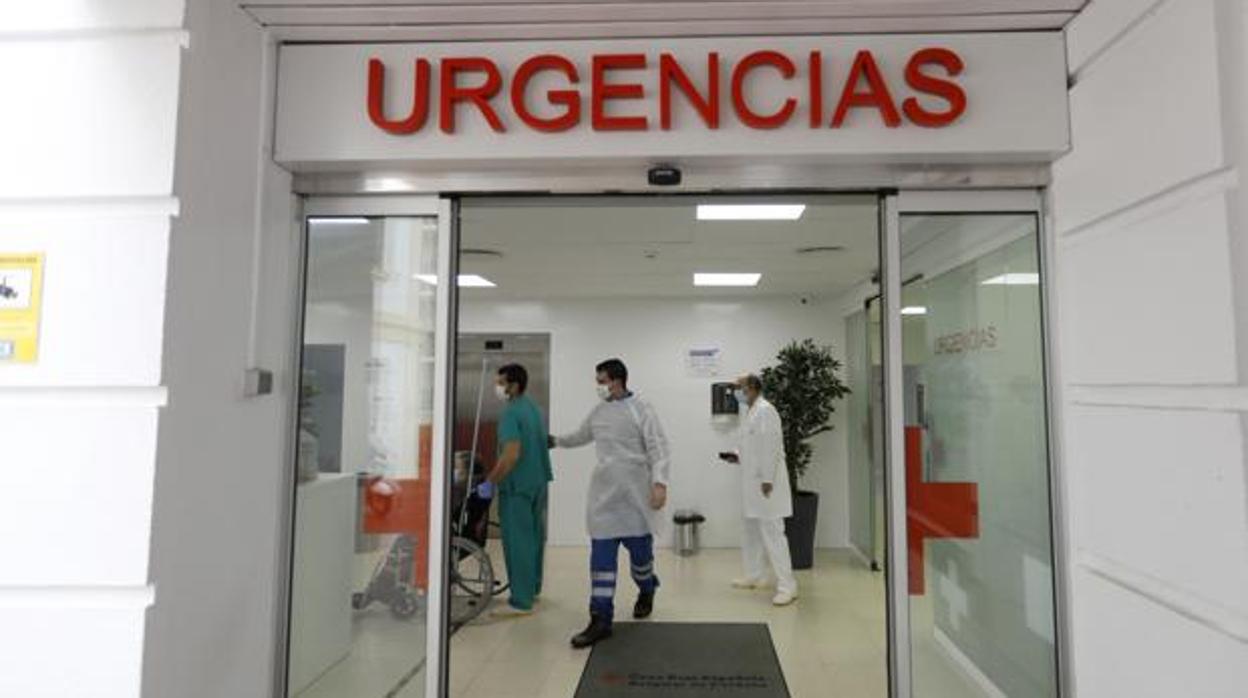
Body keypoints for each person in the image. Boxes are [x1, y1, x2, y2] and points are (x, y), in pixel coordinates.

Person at [550, 358, 671, 648]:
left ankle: (647, 588)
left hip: (636, 496)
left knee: (641, 559)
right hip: (604, 497)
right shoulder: (599, 412)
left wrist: (660, 483)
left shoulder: (641, 408)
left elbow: (659, 447)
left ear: (617, 380)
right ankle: (600, 618)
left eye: (602, 380)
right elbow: (581, 436)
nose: (598, 386)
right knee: (601, 560)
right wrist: (554, 441)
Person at [718, 374, 798, 606]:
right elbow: (749, 445)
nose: (735, 392)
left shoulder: (766, 410)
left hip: (766, 484)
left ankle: (788, 586)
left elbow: (771, 446)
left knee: (773, 533)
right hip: (752, 485)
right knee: (751, 530)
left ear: (752, 387)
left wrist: (767, 479)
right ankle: (754, 575)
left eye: (738, 387)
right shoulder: (751, 412)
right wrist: (737, 455)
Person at [482, 363, 553, 618]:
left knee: (518, 542)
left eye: (501, 383)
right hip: (537, 482)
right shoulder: (532, 408)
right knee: (533, 538)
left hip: (517, 487)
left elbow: (511, 455)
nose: (498, 388)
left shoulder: (511, 413)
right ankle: (531, 588)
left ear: (514, 385)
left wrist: (491, 481)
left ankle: (521, 601)